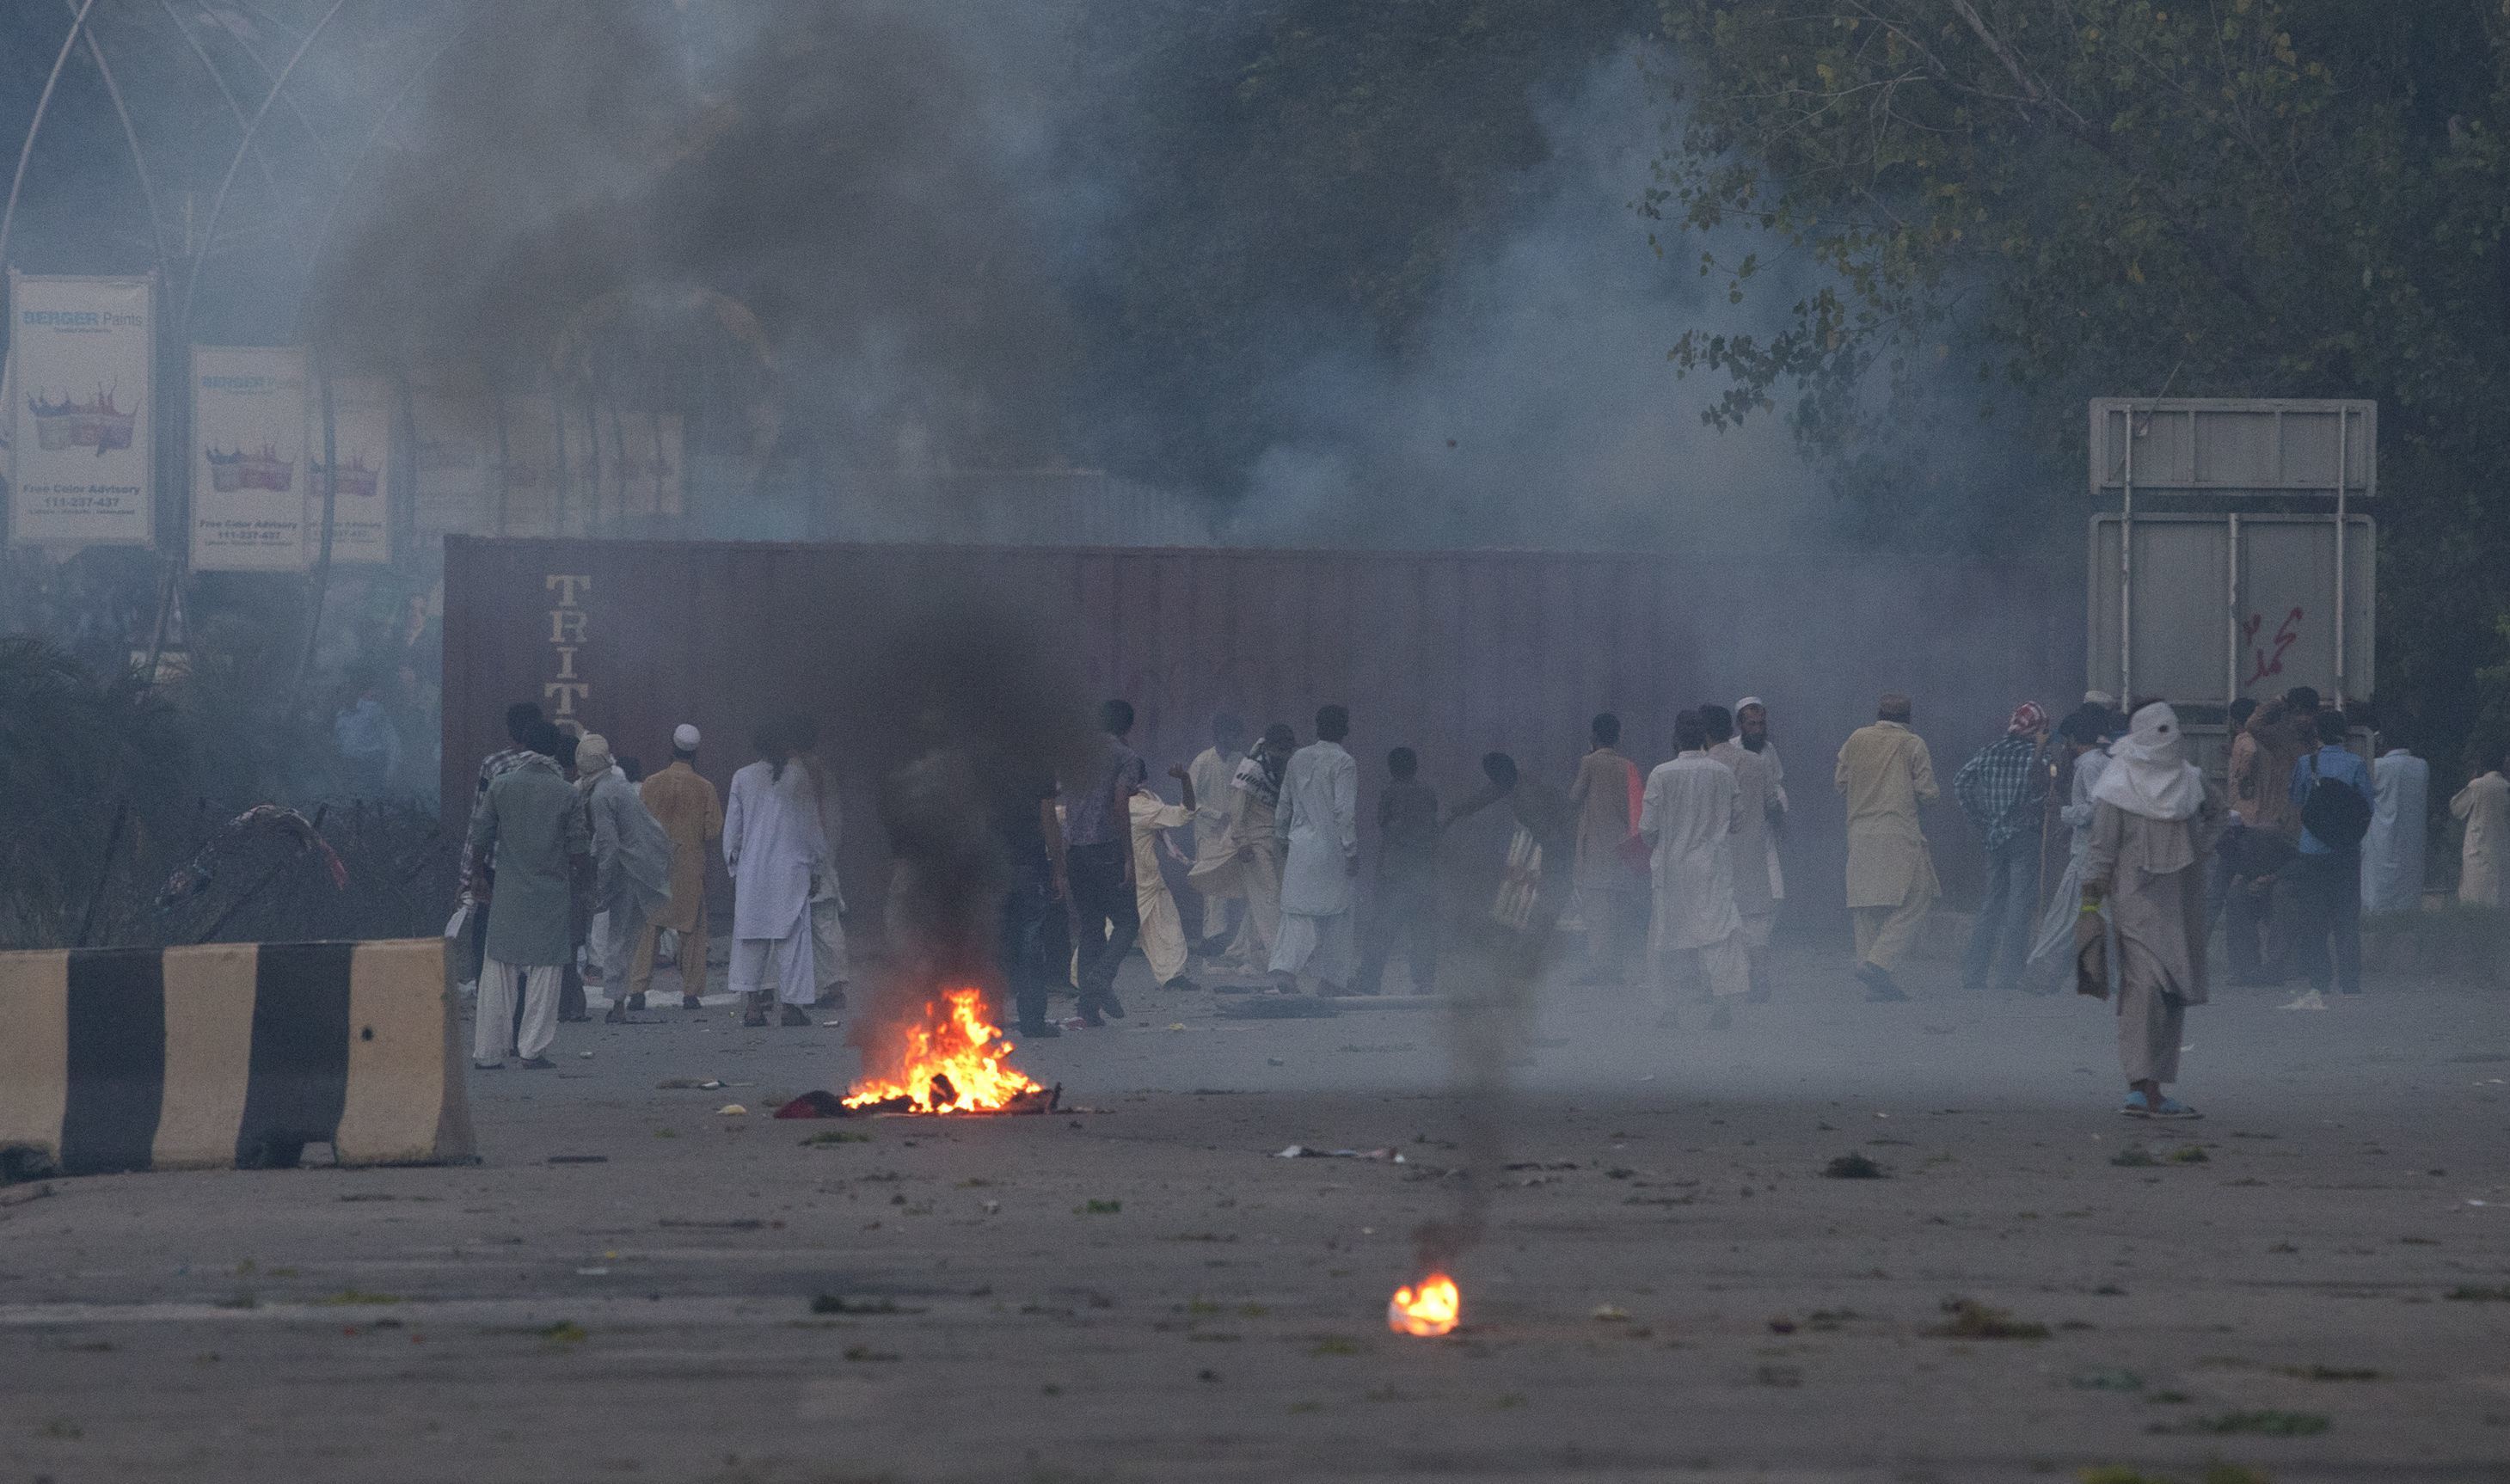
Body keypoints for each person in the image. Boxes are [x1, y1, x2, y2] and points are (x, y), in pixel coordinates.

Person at [2079, 702, 2223, 1119]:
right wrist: (2091, 902)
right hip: (2134, 901)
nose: (2168, 738)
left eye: (2172, 730)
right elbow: (2102, 850)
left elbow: (2218, 816)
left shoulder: (2191, 781)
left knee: (2171, 993)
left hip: (2181, 903)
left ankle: (2154, 1086)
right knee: (2144, 990)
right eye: (2159, 730)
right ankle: (2140, 1089)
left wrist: (2199, 850)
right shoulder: (2116, 785)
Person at [465, 721, 587, 1070]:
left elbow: (480, 834)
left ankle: (488, 1052)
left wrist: (477, 876)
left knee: (498, 968)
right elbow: (579, 852)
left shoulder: (501, 786)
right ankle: (532, 1049)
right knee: (545, 972)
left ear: (524, 748)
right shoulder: (567, 793)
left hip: (508, 890)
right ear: (554, 752)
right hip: (551, 894)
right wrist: (582, 881)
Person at [1641, 709, 1748, 1029]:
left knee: (1667, 937)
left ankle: (1669, 1012)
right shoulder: (1722, 773)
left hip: (1672, 871)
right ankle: (1722, 1007)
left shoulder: (1661, 774)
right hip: (1712, 868)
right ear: (1704, 738)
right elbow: (1738, 821)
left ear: (1675, 738)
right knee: (1719, 934)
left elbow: (1647, 830)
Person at [1836, 693, 1941, 1003]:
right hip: (1899, 832)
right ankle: (1878, 963)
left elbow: (1841, 783)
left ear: (1878, 713)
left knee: (1866, 905)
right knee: (1918, 894)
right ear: (1908, 718)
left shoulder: (1856, 738)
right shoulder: (1913, 744)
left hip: (1860, 831)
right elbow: (1928, 793)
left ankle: (1873, 980)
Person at [725, 719, 827, 1027]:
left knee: (750, 938)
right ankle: (791, 1008)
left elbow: (733, 830)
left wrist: (735, 866)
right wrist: (817, 864)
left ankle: (753, 1008)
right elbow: (810, 826)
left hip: (753, 870)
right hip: (790, 870)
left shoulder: (742, 777)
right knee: (793, 939)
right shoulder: (798, 775)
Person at [574, 733, 674, 1025]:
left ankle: (618, 1003)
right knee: (625, 937)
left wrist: (602, 889)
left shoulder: (603, 794)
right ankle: (620, 998)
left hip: (630, 869)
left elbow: (608, 845)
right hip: (643, 864)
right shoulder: (616, 784)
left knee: (619, 937)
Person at [1953, 702, 2052, 995]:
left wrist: (1982, 819)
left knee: (1991, 904)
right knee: (2019, 907)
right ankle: (2009, 975)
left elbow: (1961, 783)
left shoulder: (1990, 752)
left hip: (1994, 837)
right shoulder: (2037, 759)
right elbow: (2040, 795)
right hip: (2025, 836)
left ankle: (1974, 974)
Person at [1062, 700, 1147, 1024]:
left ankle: (1088, 1008)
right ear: (1127, 727)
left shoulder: (1075, 754)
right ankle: (1102, 976)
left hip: (1075, 850)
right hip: (1106, 847)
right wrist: (1127, 855)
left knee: (1090, 927)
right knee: (1128, 921)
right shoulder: (1126, 757)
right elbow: (1119, 805)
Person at [2283, 707, 2372, 1004]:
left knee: (2315, 918)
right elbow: (2367, 806)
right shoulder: (2356, 763)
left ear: (2317, 734)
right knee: (2347, 918)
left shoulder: (2306, 763)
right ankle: (2350, 982)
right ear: (2344, 733)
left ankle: (2320, 982)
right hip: (2346, 851)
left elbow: (2296, 801)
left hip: (2312, 850)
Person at [456, 702, 547, 991]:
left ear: (509, 730)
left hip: (495, 863)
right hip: (537, 864)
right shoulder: (550, 765)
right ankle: (527, 988)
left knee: (486, 927)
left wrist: (468, 874)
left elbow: (479, 821)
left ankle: (487, 986)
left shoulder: (493, 765)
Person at [632, 724, 724, 1010]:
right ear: (695, 753)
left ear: (671, 748)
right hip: (689, 867)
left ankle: (637, 990)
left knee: (648, 928)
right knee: (693, 931)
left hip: (655, 868)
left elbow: (638, 826)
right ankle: (690, 993)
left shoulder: (650, 783)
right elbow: (713, 831)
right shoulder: (705, 787)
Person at [2022, 707, 2114, 992]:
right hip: (2100, 851)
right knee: (2100, 913)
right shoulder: (2102, 763)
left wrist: (2064, 813)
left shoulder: (2088, 767)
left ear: (2074, 739)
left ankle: (2042, 972)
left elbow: (2097, 809)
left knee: (2066, 915)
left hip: (2088, 852)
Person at [1271, 704, 1360, 994]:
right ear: (1344, 729)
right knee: (1339, 914)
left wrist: (1281, 837)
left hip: (1300, 846)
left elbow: (1284, 802)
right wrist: (1351, 851)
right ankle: (1331, 981)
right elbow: (1344, 813)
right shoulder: (1344, 762)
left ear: (1317, 726)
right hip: (1331, 848)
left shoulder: (1298, 757)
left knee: (1296, 913)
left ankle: (1285, 970)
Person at [1192, 724, 1292, 973]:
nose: (1285, 754)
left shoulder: (1276, 767)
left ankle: (1243, 953)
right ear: (1269, 747)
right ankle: (1276, 959)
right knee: (1266, 900)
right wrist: (1242, 842)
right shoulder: (1251, 770)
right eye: (1281, 749)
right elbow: (1238, 811)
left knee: (1263, 902)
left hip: (1274, 844)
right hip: (1251, 845)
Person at [1704, 704, 1783, 1001]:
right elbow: (1772, 802)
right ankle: (1759, 978)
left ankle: (1722, 984)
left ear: (1707, 733)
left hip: (1714, 854)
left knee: (1715, 919)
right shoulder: (1756, 762)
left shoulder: (1702, 766)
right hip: (1751, 851)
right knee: (1755, 919)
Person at [1565, 713, 1645, 986]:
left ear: (1595, 736)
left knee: (1598, 912)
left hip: (1596, 850)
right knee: (1618, 910)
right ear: (1618, 736)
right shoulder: (1628, 766)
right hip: (1622, 849)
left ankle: (1601, 967)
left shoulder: (1589, 762)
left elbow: (1575, 797)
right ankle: (1617, 966)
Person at [2225, 697, 2298, 984]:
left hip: (2293, 847)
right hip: (2266, 837)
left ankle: (2276, 966)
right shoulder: (2264, 753)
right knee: (2237, 894)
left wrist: (2279, 700)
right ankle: (2245, 969)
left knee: (2283, 892)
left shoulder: (2292, 750)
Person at [1357, 745, 1439, 996]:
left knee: (1383, 927)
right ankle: (1425, 981)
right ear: (1415, 767)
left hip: (1395, 871)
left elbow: (1385, 826)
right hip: (1423, 870)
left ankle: (1370, 981)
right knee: (1423, 929)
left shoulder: (1390, 792)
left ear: (1391, 769)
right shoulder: (1427, 792)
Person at [789, 714, 851, 1009]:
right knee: (823, 922)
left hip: (809, 856)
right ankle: (828, 985)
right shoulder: (819, 769)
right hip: (821, 853)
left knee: (819, 922)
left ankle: (831, 986)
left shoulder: (799, 771)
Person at [1126, 763, 1200, 991]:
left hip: (1142, 877)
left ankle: (1172, 975)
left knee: (1164, 922)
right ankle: (1081, 977)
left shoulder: (1109, 800)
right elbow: (1184, 815)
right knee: (1112, 930)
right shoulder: (1140, 806)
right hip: (1138, 879)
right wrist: (1186, 780)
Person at [1187, 714, 1249, 957]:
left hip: (1235, 833)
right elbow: (1189, 800)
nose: (1236, 739)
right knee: (1213, 887)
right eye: (1233, 734)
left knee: (1233, 885)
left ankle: (1230, 938)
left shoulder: (1241, 760)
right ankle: (1212, 938)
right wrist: (1215, 815)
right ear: (1221, 735)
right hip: (1209, 833)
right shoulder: (1203, 761)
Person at [2361, 727, 2430, 914]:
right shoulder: (2422, 766)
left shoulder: (2377, 766)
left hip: (2382, 837)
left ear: (2383, 742)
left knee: (2379, 888)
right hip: (2411, 838)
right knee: (2408, 887)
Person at [1734, 696, 1789, 932]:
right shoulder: (1731, 750)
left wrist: (1780, 810)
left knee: (1776, 893)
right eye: (1752, 724)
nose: (1757, 730)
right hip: (1738, 835)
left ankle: (1760, 938)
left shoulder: (1769, 750)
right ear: (1741, 725)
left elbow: (1777, 784)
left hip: (1764, 832)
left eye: (1760, 724)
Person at [2452, 750, 2509, 909]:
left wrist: (2472, 780)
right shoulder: (2506, 787)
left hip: (2477, 852)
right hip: (2501, 852)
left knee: (2475, 900)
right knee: (2499, 900)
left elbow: (2456, 808)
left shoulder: (2477, 785)